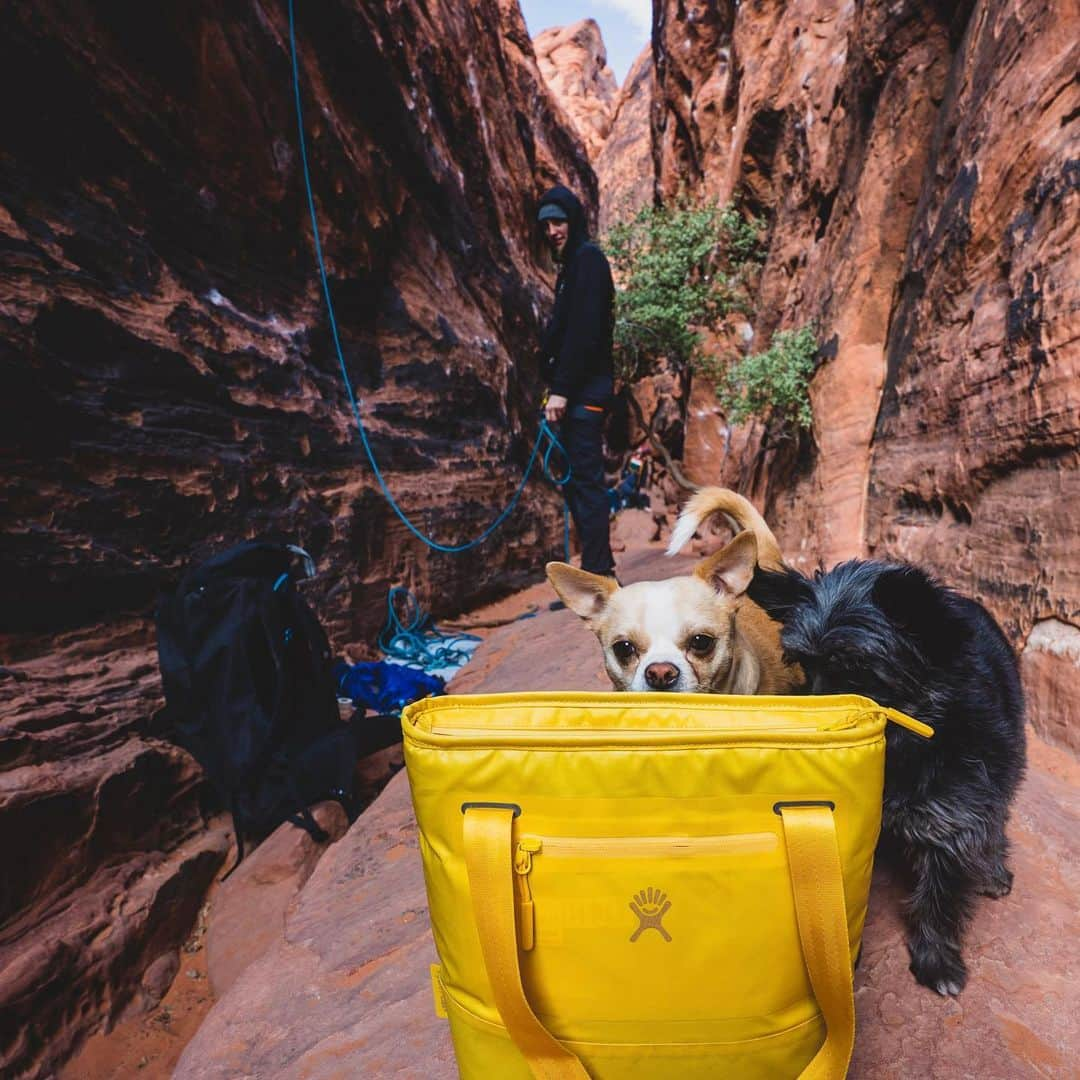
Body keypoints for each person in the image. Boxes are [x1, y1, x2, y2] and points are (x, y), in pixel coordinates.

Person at [536, 185, 617, 581]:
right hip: (577, 392)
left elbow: (583, 332)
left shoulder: (587, 261)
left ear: (574, 221)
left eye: (558, 221)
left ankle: (600, 573)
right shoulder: (572, 267)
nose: (552, 230)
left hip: (585, 394)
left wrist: (562, 389)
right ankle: (595, 569)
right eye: (546, 224)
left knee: (586, 483)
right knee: (578, 484)